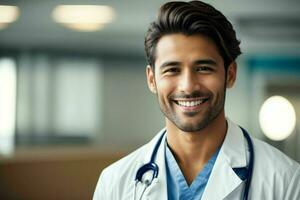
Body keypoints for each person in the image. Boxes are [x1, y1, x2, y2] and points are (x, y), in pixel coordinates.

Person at [93, 1, 300, 199]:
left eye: (203, 68)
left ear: (230, 74)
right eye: (172, 70)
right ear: (151, 79)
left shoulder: (285, 181)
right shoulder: (115, 184)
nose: (188, 86)